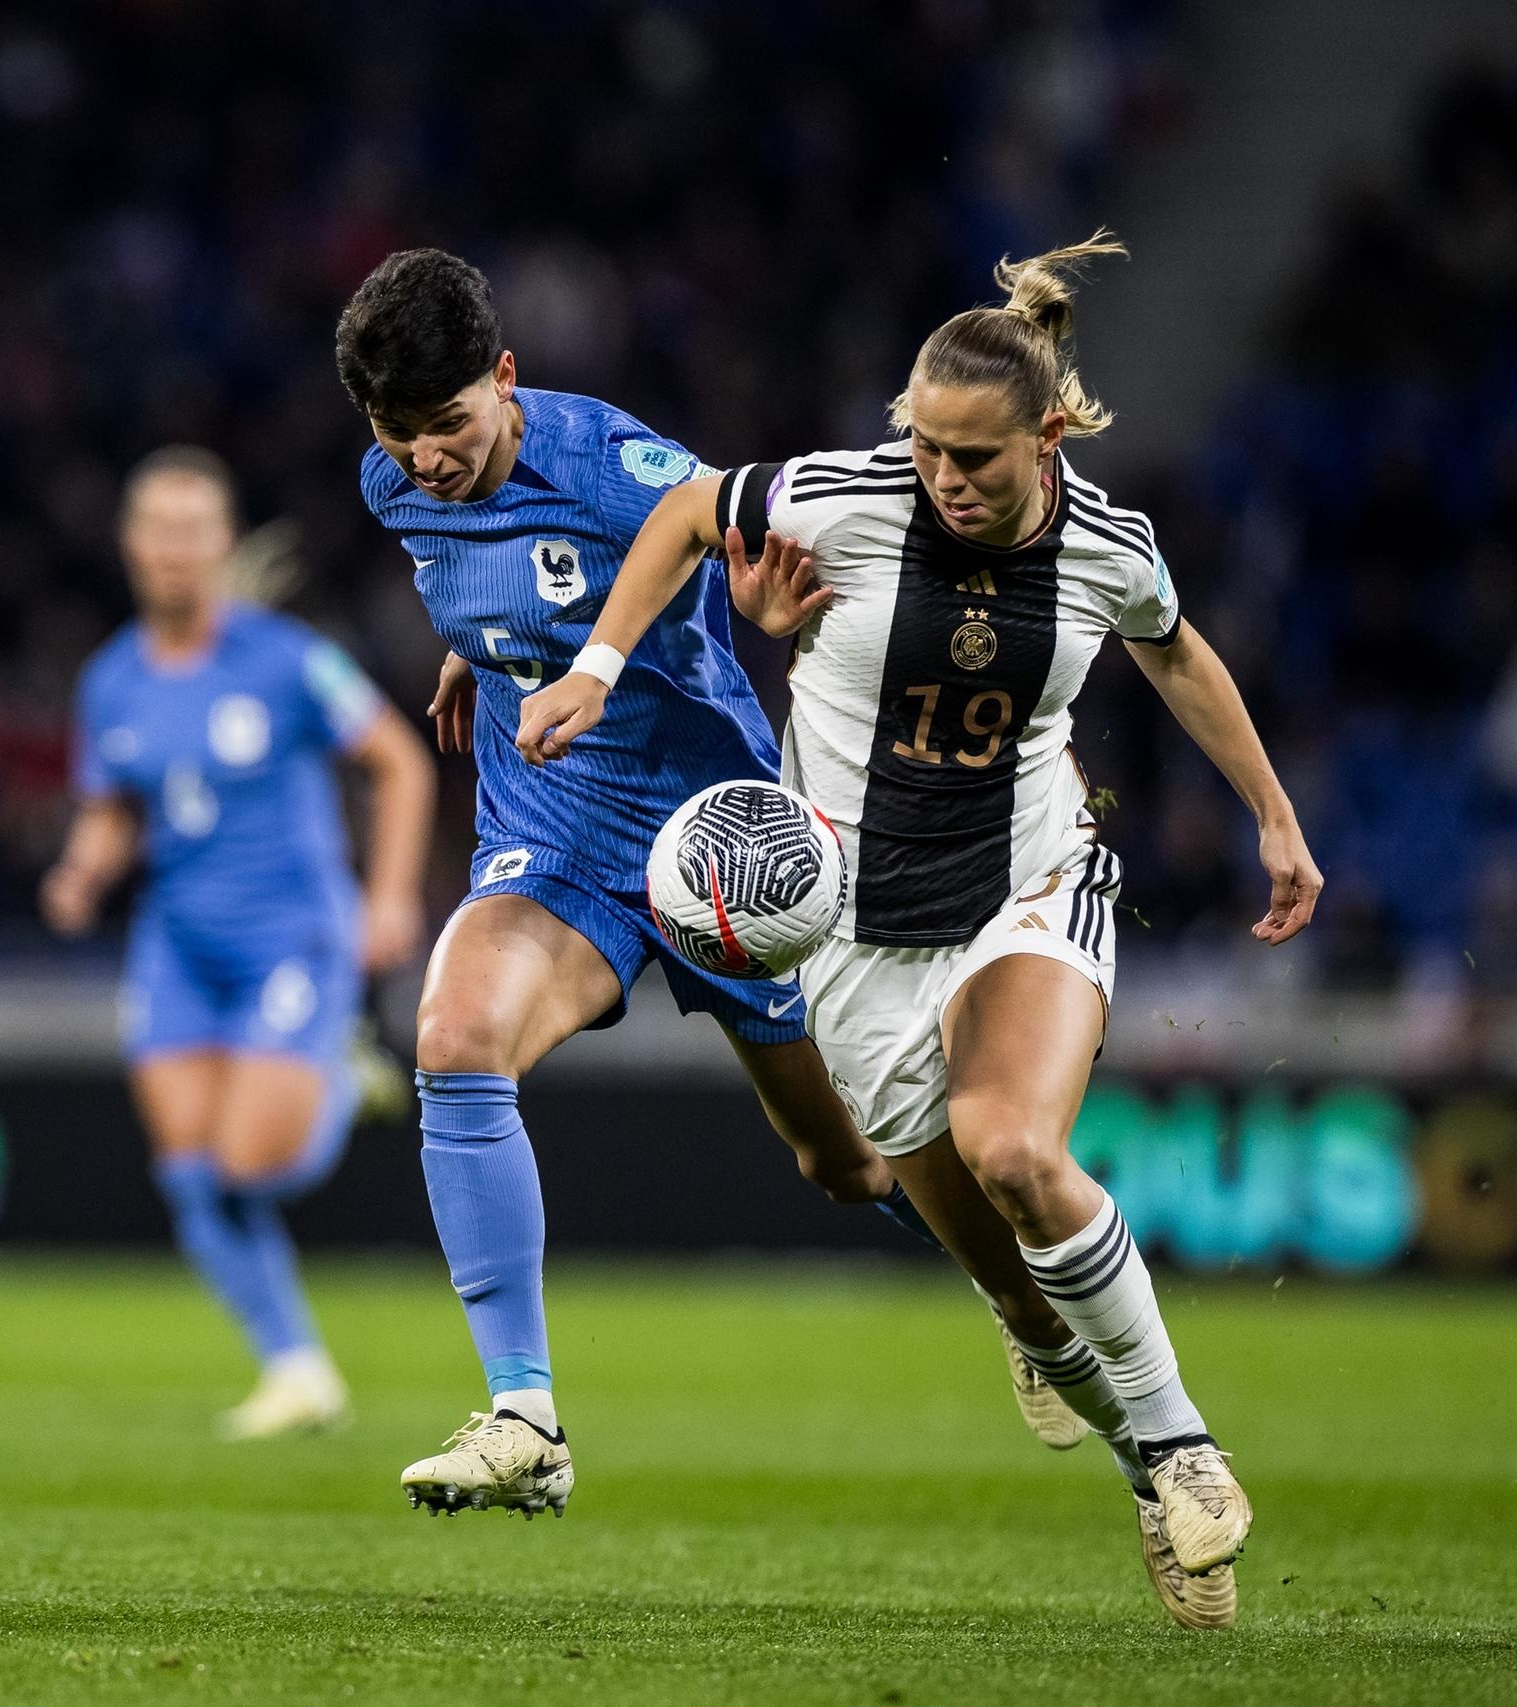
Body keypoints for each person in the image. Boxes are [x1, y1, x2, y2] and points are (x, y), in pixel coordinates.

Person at [515, 234, 1323, 1630]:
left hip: (1027, 880)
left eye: (975, 457)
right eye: (928, 447)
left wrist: (1273, 812)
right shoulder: (840, 497)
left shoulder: (1108, 544)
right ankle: (1131, 1453)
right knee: (1018, 1285)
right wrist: (597, 663)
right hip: (851, 928)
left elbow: (1175, 648)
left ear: (1047, 437)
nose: (943, 476)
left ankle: (1184, 1443)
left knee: (1014, 1147)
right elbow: (691, 511)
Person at [336, 248, 1100, 1524]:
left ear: (506, 378)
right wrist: (484, 650)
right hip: (557, 836)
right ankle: (524, 1415)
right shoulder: (395, 486)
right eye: (395, 431)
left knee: (846, 1162)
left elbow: (766, 535)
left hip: (723, 844)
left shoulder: (610, 463)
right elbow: (484, 572)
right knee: (456, 1036)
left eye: (447, 422)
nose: (423, 456)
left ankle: (1028, 1307)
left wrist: (761, 612)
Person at [43, 447, 437, 1440]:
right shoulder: (111, 680)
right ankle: (296, 1369)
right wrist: (83, 871)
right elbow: (115, 807)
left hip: (290, 937)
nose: (174, 549)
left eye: (193, 530)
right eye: (158, 529)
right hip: (176, 945)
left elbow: (400, 763)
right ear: (130, 544)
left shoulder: (289, 659)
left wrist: (389, 898)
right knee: (190, 1173)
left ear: (224, 542)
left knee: (251, 1163)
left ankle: (340, 1071)